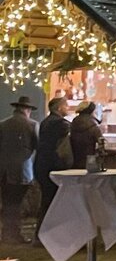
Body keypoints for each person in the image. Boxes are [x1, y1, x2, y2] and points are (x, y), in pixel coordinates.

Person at [0, 96, 37, 244]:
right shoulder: (32, 125)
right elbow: (37, 145)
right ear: (27, 110)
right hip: (22, 170)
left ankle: (7, 232)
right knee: (16, 203)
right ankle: (14, 234)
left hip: (3, 170)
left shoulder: (3, 124)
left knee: (7, 202)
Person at [34, 97, 70, 241]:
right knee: (53, 202)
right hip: (54, 166)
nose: (67, 108)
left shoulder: (45, 122)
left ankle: (41, 234)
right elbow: (64, 148)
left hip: (41, 165)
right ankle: (48, 236)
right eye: (66, 105)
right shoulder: (62, 125)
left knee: (46, 200)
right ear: (59, 108)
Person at [69, 100, 103, 169]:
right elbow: (102, 146)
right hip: (89, 162)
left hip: (73, 162)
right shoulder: (93, 127)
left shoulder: (72, 124)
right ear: (92, 112)